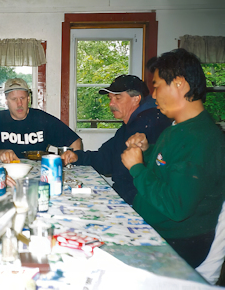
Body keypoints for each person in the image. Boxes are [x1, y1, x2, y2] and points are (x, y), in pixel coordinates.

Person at [121, 48, 225, 268]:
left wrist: (137, 168)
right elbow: (165, 169)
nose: (154, 95)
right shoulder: (177, 128)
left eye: (157, 86)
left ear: (179, 83)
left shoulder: (201, 139)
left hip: (176, 244)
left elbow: (176, 207)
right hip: (153, 229)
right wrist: (147, 151)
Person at [61, 75, 171, 205]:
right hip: (124, 195)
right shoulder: (128, 127)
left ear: (136, 99)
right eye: (110, 98)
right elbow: (106, 160)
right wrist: (77, 156)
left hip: (138, 203)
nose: (111, 104)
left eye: (118, 98)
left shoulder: (151, 124)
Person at [0, 78, 82, 163]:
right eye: (14, 99)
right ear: (6, 101)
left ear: (28, 99)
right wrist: (1, 153)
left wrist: (70, 164)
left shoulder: (42, 119)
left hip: (39, 174)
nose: (19, 103)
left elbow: (75, 142)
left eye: (22, 98)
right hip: (6, 173)